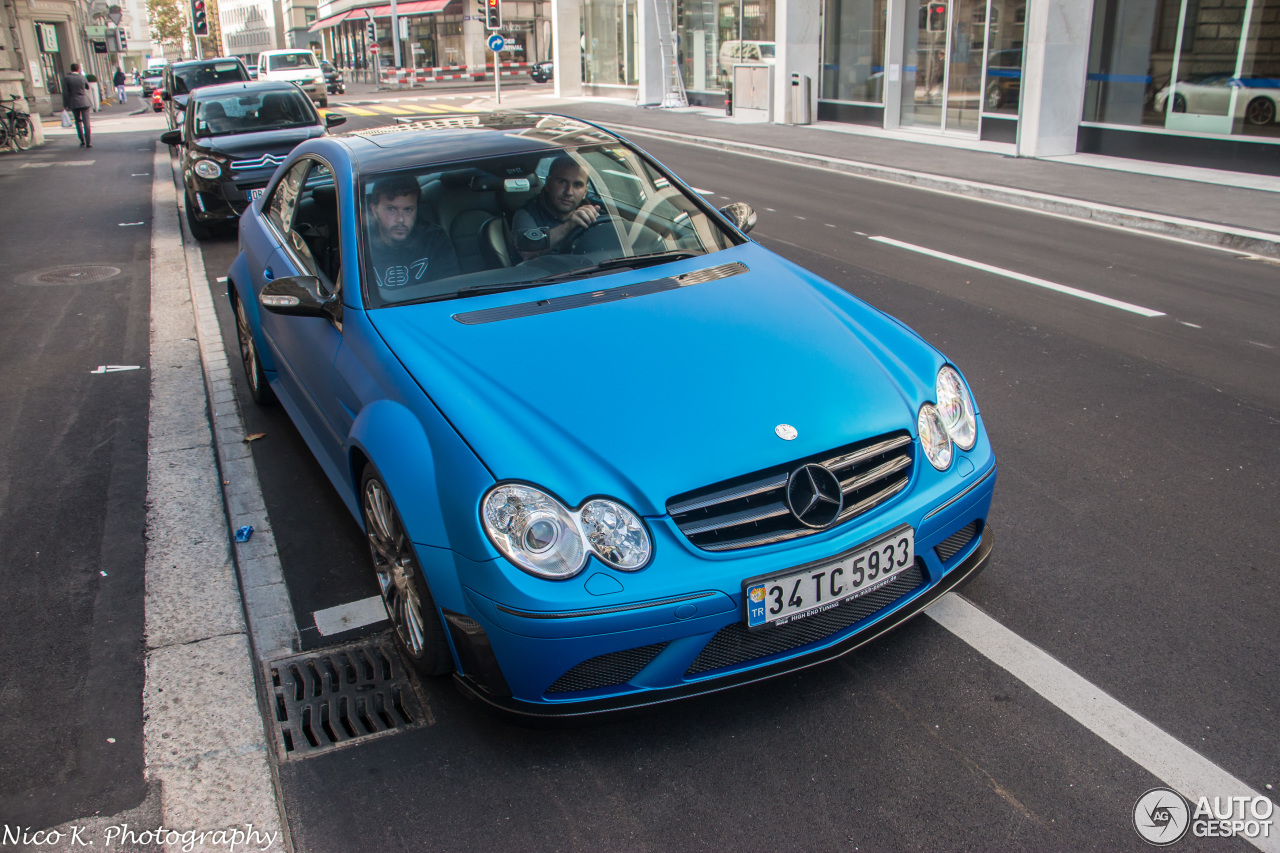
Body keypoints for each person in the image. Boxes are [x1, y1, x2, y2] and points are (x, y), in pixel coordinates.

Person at [366, 175, 460, 292]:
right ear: (375, 210)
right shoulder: (358, 244)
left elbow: (449, 291)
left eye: (408, 210)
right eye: (391, 209)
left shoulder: (434, 239)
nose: (400, 219)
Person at [511, 155, 602, 259]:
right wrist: (569, 227)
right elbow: (526, 253)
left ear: (585, 191)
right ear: (548, 184)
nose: (568, 192)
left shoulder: (591, 213)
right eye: (562, 182)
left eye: (577, 185)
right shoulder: (526, 214)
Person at [62, 63, 93, 148]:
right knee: (86, 122)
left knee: (78, 121)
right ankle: (88, 142)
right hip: (85, 101)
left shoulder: (67, 78)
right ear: (79, 69)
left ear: (71, 69)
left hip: (74, 102)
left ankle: (82, 140)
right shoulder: (82, 77)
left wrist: (65, 104)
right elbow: (87, 87)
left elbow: (65, 92)